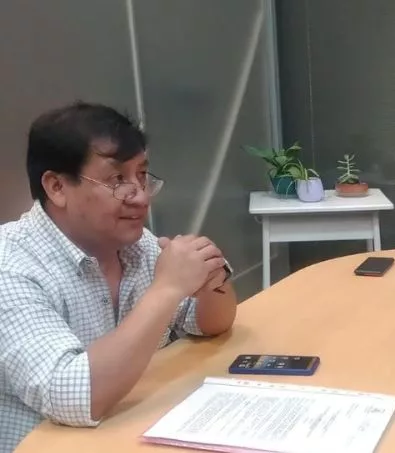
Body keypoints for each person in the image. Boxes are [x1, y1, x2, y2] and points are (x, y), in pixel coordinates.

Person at [0, 102, 238, 452]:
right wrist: (167, 289)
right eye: (117, 180)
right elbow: (72, 396)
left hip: (129, 430)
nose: (140, 197)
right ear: (57, 187)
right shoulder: (11, 265)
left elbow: (210, 323)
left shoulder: (136, 245)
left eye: (141, 176)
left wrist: (210, 278)